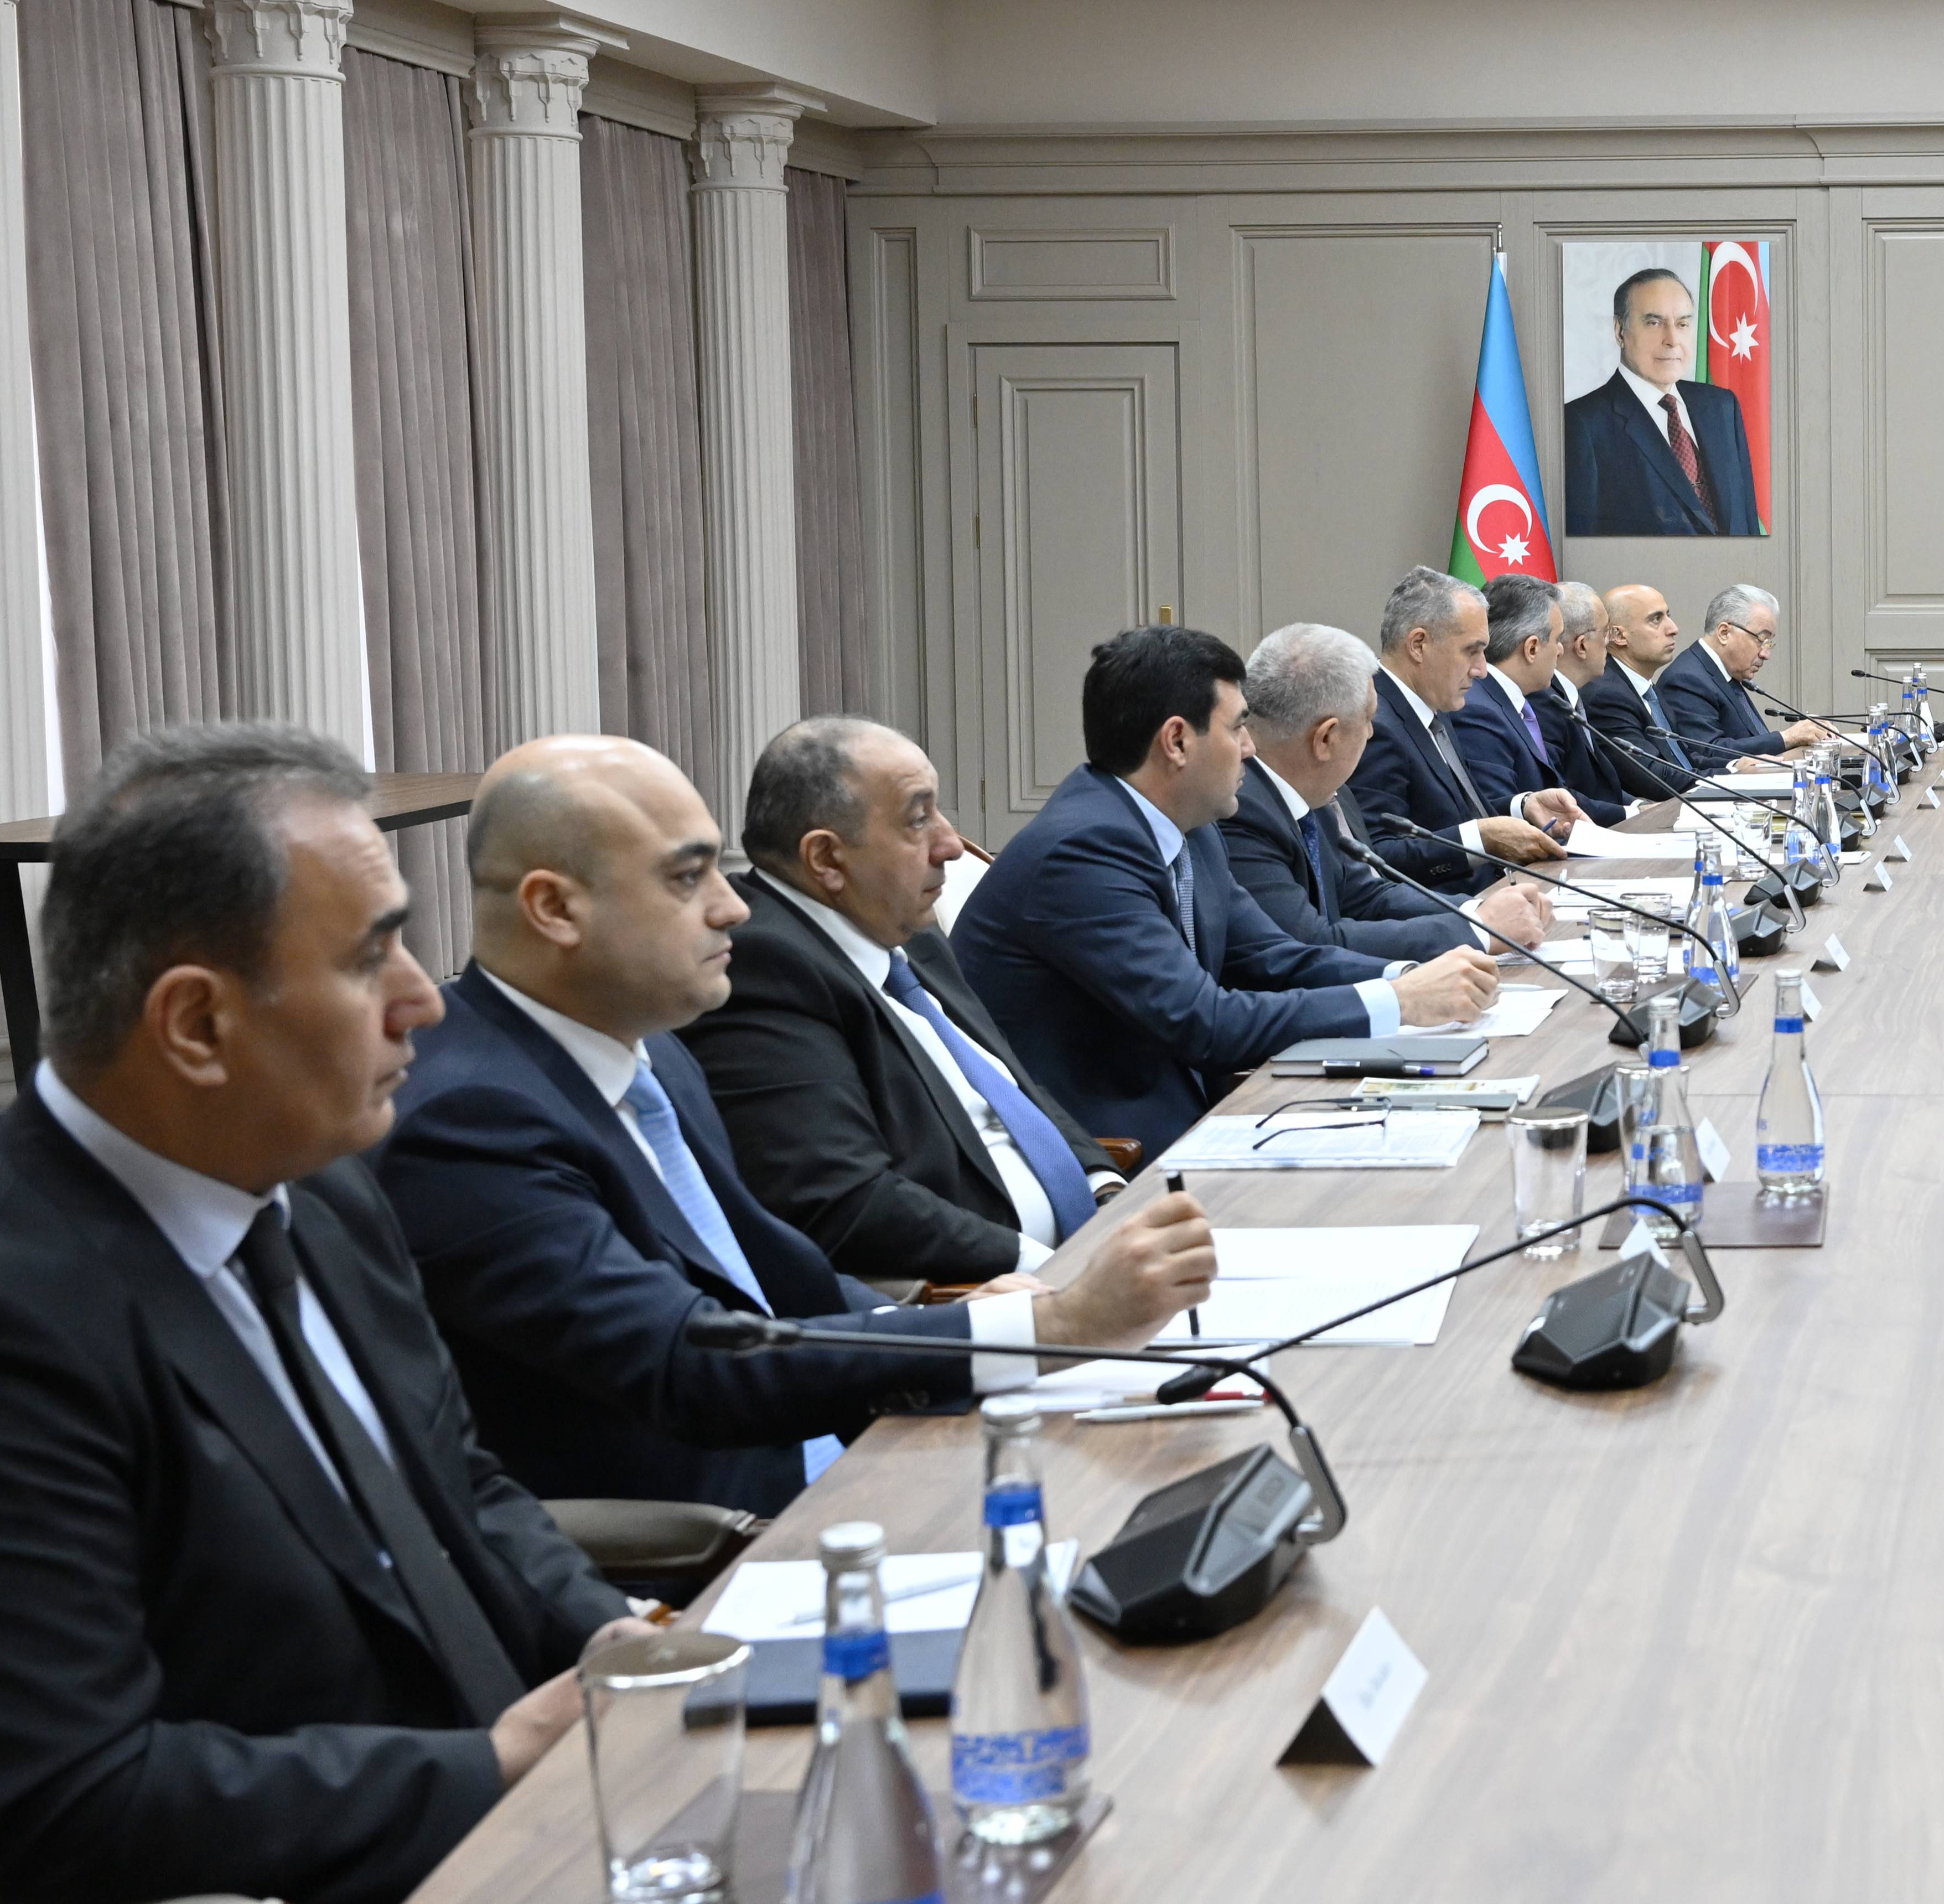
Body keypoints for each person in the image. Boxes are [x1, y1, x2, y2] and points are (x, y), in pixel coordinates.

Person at [0, 725, 641, 1904]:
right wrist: (493, 1768)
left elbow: (458, 1485)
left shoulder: (320, 1186)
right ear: (195, 1023)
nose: (422, 1001)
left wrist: (616, 1644)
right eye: (370, 957)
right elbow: (61, 1808)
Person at [383, 735, 1219, 1517]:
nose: (732, 909)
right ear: (555, 908)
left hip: (854, 1450)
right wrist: (1050, 1328)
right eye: (688, 878)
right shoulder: (471, 1121)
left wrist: (943, 1324)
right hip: (731, 1538)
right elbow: (691, 1362)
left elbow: (772, 1274)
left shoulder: (651, 1049)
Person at [955, 625, 1500, 1150]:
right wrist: (1399, 1001)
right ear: (1176, 741)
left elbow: (1277, 958)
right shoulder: (1082, 852)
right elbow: (1203, 1022)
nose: (1249, 747)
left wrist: (1407, 979)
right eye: (1238, 727)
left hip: (1207, 1113)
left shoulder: (1189, 826)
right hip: (1113, 1151)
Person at [683, 717, 1124, 1297]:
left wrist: (1104, 1188)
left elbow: (1011, 1088)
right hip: (998, 1293)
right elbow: (843, 1201)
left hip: (1085, 1253)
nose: (950, 844)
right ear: (826, 859)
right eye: (919, 819)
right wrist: (1049, 1267)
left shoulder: (908, 933)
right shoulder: (763, 969)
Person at [1224, 621, 1554, 960]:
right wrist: (1478, 930)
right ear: (1325, 739)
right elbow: (1311, 943)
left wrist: (1477, 911)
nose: (1371, 733)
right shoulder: (1241, 811)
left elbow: (1365, 897)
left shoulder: (1315, 790)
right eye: (1368, 719)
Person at [1344, 567, 1584, 894]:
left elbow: (1456, 813)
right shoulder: (1375, 725)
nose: (1482, 670)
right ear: (1419, 645)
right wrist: (1482, 840)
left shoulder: (1434, 708)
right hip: (1456, 908)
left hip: (1504, 891)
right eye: (1472, 651)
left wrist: (1523, 805)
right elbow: (1379, 855)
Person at [1560, 267, 1760, 536]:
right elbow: (1583, 546)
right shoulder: (1582, 424)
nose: (1672, 340)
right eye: (1654, 323)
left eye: (1682, 324)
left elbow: (1747, 525)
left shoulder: (1722, 407)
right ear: (1620, 331)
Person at [1578, 582, 1779, 795]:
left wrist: (1737, 766)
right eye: (1656, 619)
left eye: (1668, 615)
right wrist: (1731, 776)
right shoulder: (1607, 695)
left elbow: (1684, 758)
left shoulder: (1646, 689)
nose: (1673, 629)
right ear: (1619, 636)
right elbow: (1655, 776)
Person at [1454, 573, 1621, 824]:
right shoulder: (1479, 711)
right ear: (1531, 648)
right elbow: (1497, 816)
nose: (1561, 650)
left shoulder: (1512, 702)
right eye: (1556, 640)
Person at [1656, 581, 1830, 762]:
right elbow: (1709, 752)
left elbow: (1750, 744)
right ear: (1724, 633)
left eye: (1769, 643)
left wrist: (1806, 737)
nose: (1766, 654)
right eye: (1761, 639)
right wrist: (1788, 738)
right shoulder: (1687, 680)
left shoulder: (1727, 676)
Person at [1533, 577, 1634, 815]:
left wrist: (1639, 806)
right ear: (1582, 646)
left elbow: (1602, 787)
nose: (1609, 641)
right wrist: (1633, 813)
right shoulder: (1545, 704)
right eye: (1606, 632)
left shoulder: (1571, 697)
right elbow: (1560, 793)